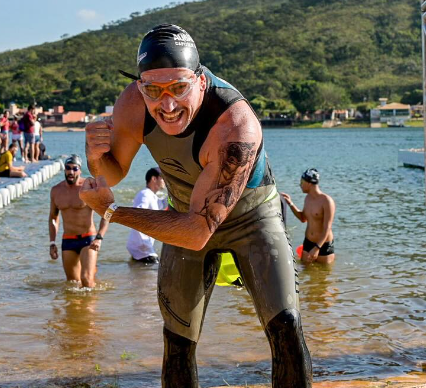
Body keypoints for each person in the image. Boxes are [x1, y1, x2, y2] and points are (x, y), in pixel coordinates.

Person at [79, 24, 312, 387]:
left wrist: (111, 212)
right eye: (153, 90)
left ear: (200, 81)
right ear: (140, 85)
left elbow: (196, 232)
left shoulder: (235, 127)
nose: (167, 105)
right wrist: (95, 156)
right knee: (177, 340)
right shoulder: (132, 103)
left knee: (286, 329)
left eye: (179, 88)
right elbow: (113, 173)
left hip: (251, 218)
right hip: (184, 213)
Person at [48, 155, 108, 288]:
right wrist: (52, 242)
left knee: (86, 280)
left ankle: (91, 308)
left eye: (75, 169)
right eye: (68, 168)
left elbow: (106, 213)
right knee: (72, 284)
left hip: (88, 239)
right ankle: (77, 308)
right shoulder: (56, 191)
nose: (71, 172)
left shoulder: (89, 188)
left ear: (80, 170)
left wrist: (99, 237)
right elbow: (53, 217)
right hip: (68, 240)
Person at [282, 168, 336, 265]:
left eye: (302, 182)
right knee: (306, 272)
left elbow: (327, 227)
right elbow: (303, 218)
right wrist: (290, 204)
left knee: (324, 276)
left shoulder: (327, 201)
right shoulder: (307, 198)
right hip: (308, 242)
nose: (300, 185)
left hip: (323, 245)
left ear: (309, 183)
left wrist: (317, 248)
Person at [126, 167, 166, 264]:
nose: (164, 181)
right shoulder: (145, 194)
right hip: (142, 246)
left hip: (141, 245)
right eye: (162, 178)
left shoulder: (153, 196)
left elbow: (164, 204)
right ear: (154, 179)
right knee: (153, 272)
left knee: (141, 273)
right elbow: (138, 214)